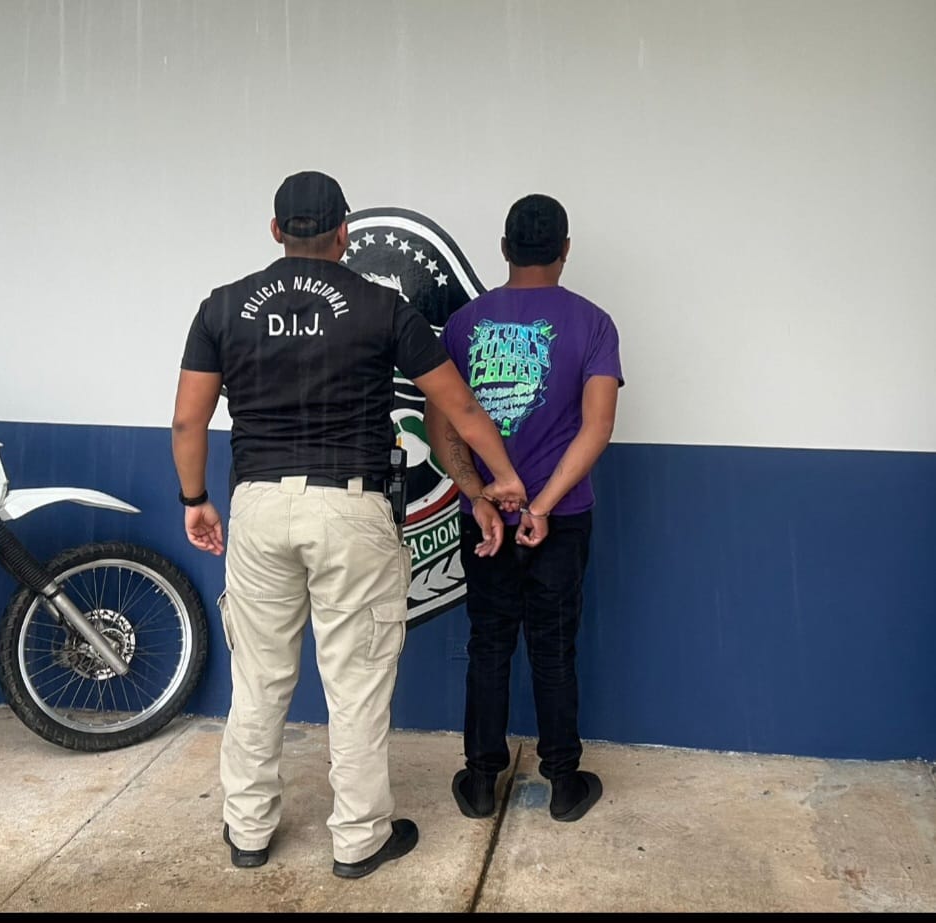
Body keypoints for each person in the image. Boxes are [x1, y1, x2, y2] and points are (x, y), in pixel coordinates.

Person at [170, 171, 527, 879]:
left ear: (276, 230)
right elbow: (459, 405)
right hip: (351, 505)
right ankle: (359, 840)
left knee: (258, 678)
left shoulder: (222, 307)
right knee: (357, 683)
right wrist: (504, 476)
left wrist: (194, 498)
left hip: (259, 504)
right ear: (344, 234)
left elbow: (188, 420)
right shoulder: (382, 307)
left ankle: (248, 829)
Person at [424, 193, 623, 824]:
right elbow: (597, 428)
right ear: (565, 250)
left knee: (488, 643)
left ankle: (481, 781)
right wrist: (541, 505)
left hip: (484, 518)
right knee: (554, 645)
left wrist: (479, 493)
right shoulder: (595, 324)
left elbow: (442, 426)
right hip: (560, 518)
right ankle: (564, 783)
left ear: (505, 249)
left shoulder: (463, 324)